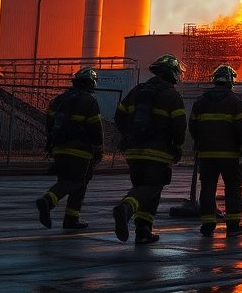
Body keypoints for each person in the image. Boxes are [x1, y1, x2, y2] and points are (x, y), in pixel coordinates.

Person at [113, 53, 187, 244]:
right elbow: (179, 126)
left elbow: (119, 117)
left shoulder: (137, 91)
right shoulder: (172, 95)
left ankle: (143, 230)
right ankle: (126, 207)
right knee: (152, 187)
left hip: (133, 151)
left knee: (144, 188)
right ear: (173, 74)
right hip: (158, 152)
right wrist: (177, 147)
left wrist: (128, 136)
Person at [35, 67, 104, 231]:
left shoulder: (59, 99)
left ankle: (71, 219)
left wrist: (51, 144)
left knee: (71, 182)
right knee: (77, 181)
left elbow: (49, 124)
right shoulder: (89, 100)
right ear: (91, 83)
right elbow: (95, 127)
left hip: (59, 148)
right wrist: (99, 147)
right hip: (80, 150)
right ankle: (48, 200)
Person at [190, 64, 242, 237]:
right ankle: (232, 226)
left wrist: (199, 143)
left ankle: (207, 225)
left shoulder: (200, 101)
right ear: (230, 81)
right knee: (232, 188)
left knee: (207, 188)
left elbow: (192, 125)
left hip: (206, 155)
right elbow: (241, 128)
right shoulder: (234, 101)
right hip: (230, 155)